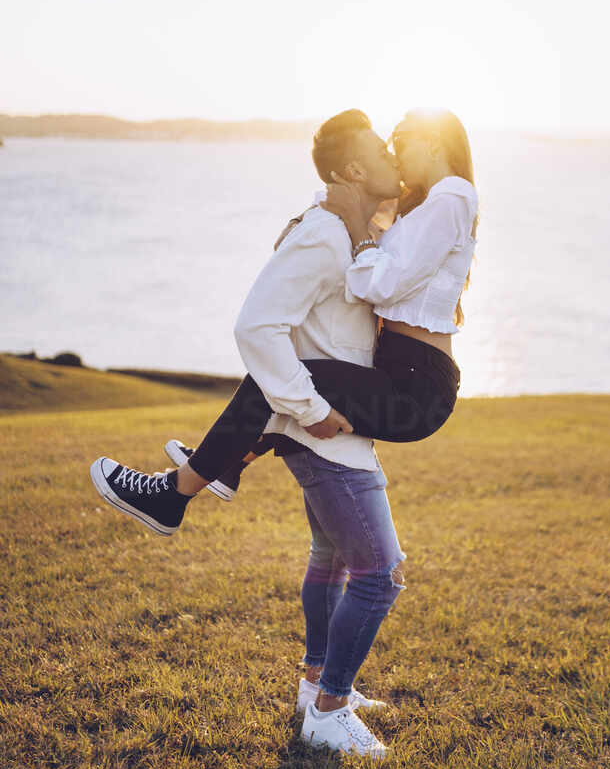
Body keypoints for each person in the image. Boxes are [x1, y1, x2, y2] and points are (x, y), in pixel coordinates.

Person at [90, 107, 479, 531]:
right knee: (287, 383)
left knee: (282, 381)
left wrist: (358, 232)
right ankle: (227, 461)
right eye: (387, 148)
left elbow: (382, 285)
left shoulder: (453, 195)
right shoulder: (421, 206)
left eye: (401, 143)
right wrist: (313, 219)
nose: (396, 156)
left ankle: (175, 491)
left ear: (434, 142)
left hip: (416, 390)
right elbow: (344, 197)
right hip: (400, 370)